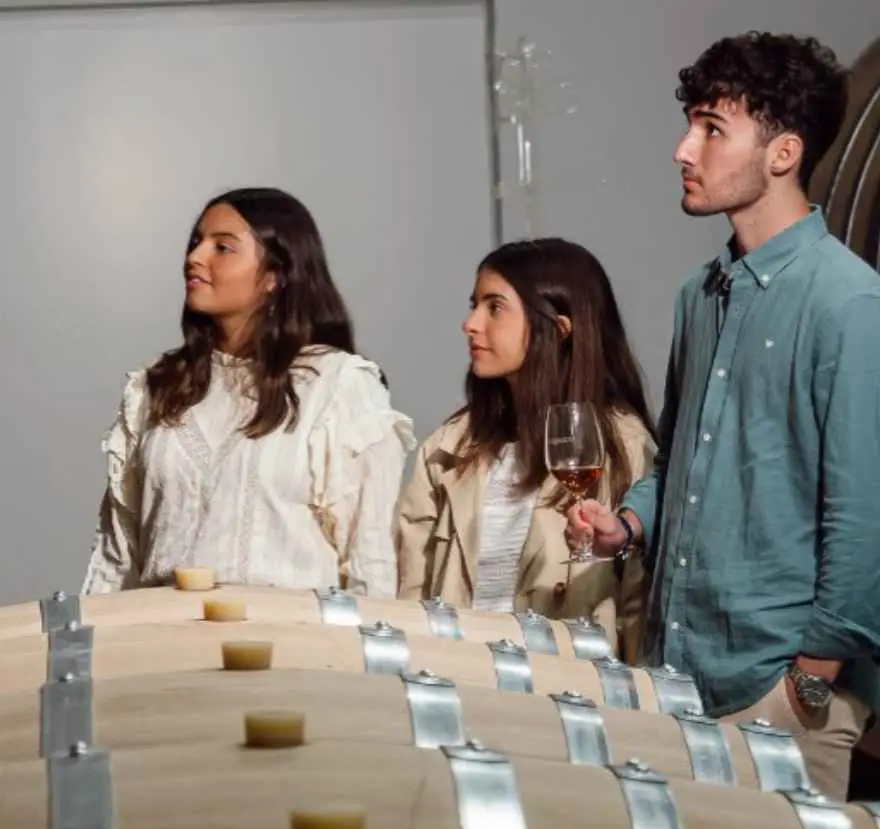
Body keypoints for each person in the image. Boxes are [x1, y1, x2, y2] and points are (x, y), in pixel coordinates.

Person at [567, 32, 880, 799]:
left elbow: (865, 515)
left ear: (783, 153)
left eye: (712, 128)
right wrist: (628, 524)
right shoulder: (699, 295)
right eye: (691, 125)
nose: (684, 149)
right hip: (676, 675)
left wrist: (810, 680)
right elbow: (682, 459)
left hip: (779, 691)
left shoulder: (850, 303)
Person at [81, 187, 414, 596]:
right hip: (161, 630)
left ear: (274, 276)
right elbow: (117, 557)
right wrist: (93, 630)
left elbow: (370, 562)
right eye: (195, 242)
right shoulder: (156, 387)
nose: (194, 257)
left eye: (222, 247)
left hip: (292, 633)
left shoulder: (338, 386)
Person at [397, 238, 657, 660]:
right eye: (475, 305)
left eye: (495, 307)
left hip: (568, 690)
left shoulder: (621, 447)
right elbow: (410, 597)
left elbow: (637, 612)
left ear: (559, 328)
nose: (471, 323)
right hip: (459, 679)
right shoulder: (448, 449)